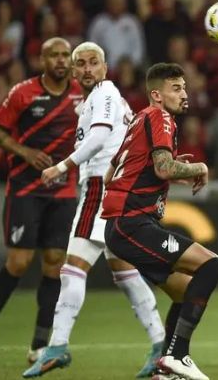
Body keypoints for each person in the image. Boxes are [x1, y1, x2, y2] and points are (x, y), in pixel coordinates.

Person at [23, 42, 164, 378]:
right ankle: (161, 345)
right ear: (74, 71)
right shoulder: (105, 98)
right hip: (117, 190)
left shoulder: (103, 94)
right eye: (80, 64)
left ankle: (57, 345)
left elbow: (100, 136)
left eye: (93, 63)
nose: (87, 69)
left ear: (104, 67)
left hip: (101, 188)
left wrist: (61, 167)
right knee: (125, 272)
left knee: (72, 268)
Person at [102, 63, 218, 380]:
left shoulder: (140, 118)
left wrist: (164, 173)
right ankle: (178, 356)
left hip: (123, 225)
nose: (185, 93)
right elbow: (163, 168)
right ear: (157, 94)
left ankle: (165, 370)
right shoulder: (159, 116)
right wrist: (198, 169)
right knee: (210, 266)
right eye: (176, 88)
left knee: (184, 290)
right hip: (133, 223)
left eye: (184, 87)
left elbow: (111, 173)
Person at [0, 38, 82, 363]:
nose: (60, 60)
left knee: (55, 262)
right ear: (42, 60)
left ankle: (39, 344)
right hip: (25, 189)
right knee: (19, 263)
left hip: (64, 190)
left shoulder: (83, 94)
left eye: (65, 55)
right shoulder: (23, 92)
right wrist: (25, 152)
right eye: (53, 55)